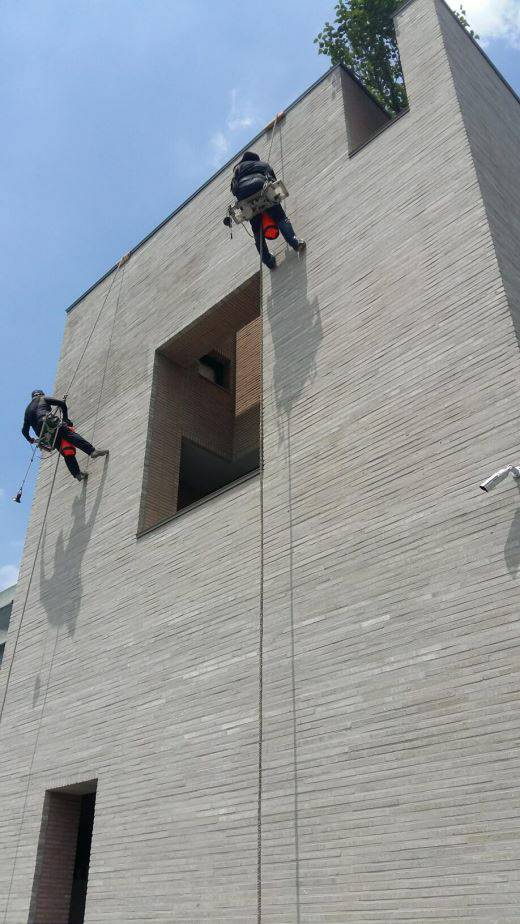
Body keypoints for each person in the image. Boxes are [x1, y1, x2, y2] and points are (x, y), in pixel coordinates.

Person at [230, 151, 306, 270]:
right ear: (255, 159)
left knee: (256, 229)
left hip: (244, 196)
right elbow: (272, 179)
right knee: (280, 217)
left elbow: (233, 189)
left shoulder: (238, 170)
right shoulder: (261, 164)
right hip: (260, 186)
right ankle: (295, 242)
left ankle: (268, 260)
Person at [22, 390, 108, 482]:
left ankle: (77, 473)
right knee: (70, 435)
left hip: (44, 434)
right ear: (41, 394)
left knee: (65, 450)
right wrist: (66, 418)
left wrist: (30, 439)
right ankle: (92, 451)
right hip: (50, 422)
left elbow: (24, 431)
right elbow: (61, 403)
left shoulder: (27, 411)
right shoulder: (42, 398)